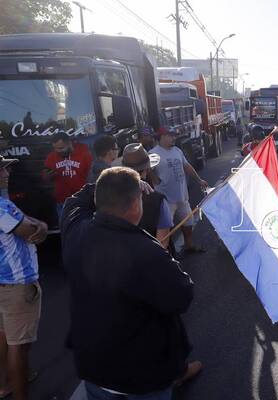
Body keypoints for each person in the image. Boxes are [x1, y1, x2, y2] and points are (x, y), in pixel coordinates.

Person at [60, 167, 201, 399]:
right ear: (136, 205)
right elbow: (182, 296)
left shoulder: (74, 231)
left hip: (93, 370)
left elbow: (75, 200)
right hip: (143, 378)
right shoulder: (147, 252)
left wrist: (106, 186)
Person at [0, 155, 47, 400]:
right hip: (16, 284)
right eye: (2, 170)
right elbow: (31, 232)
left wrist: (34, 223)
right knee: (18, 346)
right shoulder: (2, 207)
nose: (7, 173)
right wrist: (43, 225)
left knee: (5, 336)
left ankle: (5, 384)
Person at [151, 127, 208, 254]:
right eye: (170, 135)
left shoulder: (177, 151)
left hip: (182, 196)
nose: (173, 138)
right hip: (166, 199)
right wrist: (156, 180)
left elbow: (187, 167)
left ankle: (189, 245)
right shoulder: (154, 153)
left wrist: (199, 180)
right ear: (161, 137)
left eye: (174, 136)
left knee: (188, 222)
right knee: (166, 228)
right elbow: (148, 171)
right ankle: (166, 254)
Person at [121, 143, 173, 247]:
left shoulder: (112, 196)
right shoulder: (158, 200)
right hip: (152, 258)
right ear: (146, 169)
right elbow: (162, 244)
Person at [42, 131, 92, 218]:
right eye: (56, 148)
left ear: (69, 143)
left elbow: (92, 176)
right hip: (62, 201)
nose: (58, 151)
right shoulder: (52, 156)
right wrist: (48, 176)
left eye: (61, 148)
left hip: (82, 200)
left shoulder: (85, 153)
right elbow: (45, 177)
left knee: (82, 229)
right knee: (65, 230)